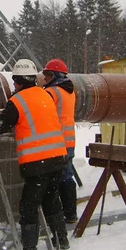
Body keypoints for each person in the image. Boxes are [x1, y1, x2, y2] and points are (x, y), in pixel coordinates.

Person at [0, 59, 70, 250]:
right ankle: (61, 239)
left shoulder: (18, 102)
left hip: (37, 162)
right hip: (57, 157)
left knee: (29, 206)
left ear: (17, 81)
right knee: (52, 199)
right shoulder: (45, 94)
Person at [42, 59, 78, 224]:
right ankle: (70, 214)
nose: (45, 78)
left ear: (55, 75)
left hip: (55, 143)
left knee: (53, 179)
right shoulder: (69, 91)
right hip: (68, 142)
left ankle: (55, 216)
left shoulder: (51, 92)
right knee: (67, 176)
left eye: (48, 75)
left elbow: (40, 115)